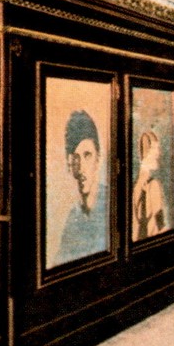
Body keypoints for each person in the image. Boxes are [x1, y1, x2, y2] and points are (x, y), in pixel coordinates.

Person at [55, 110, 108, 265]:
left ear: (98, 159)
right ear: (70, 163)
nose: (82, 167)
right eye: (76, 157)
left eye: (87, 155)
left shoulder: (111, 205)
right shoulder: (73, 218)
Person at [132, 130, 168, 241]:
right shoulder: (153, 185)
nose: (158, 153)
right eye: (154, 148)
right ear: (146, 152)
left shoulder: (135, 186)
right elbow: (160, 224)